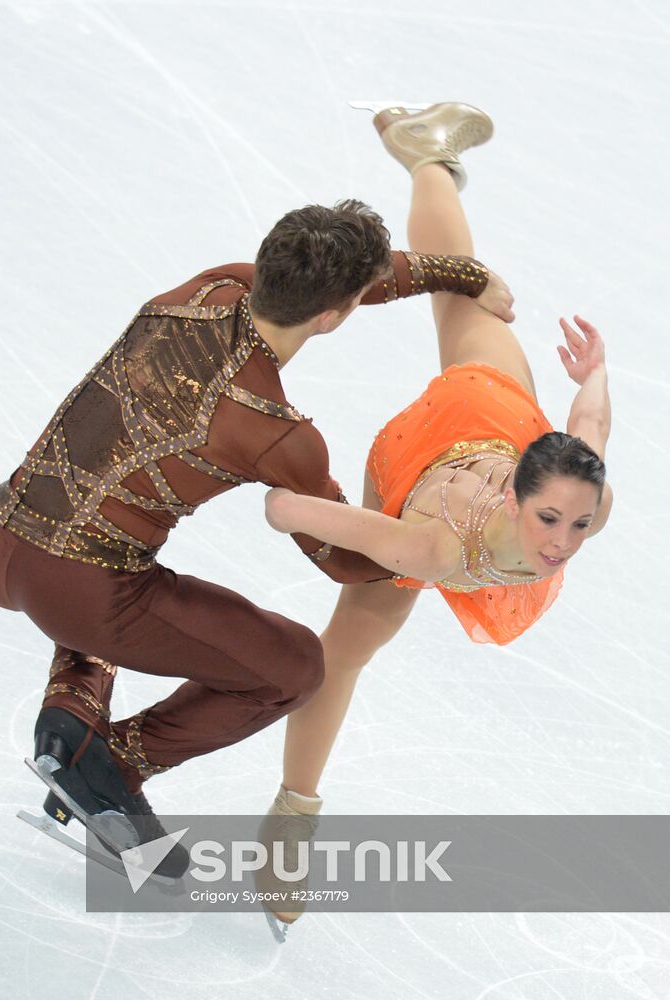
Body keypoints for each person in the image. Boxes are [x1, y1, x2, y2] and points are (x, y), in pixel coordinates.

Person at [0, 115, 512, 871]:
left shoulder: (212, 285)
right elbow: (344, 564)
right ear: (335, 315)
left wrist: (459, 273)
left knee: (125, 573)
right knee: (291, 666)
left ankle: (71, 711)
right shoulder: (279, 434)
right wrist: (438, 552)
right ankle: (113, 762)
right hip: (80, 594)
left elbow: (364, 273)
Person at [261, 101, 613, 925]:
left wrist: (592, 372)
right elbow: (299, 514)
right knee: (344, 649)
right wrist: (278, 480)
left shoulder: (580, 487)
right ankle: (290, 824)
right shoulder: (431, 549)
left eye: (575, 524)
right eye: (550, 523)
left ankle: (425, 154)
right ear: (523, 495)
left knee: (467, 292)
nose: (562, 546)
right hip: (424, 459)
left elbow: (591, 423)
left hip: (499, 417)